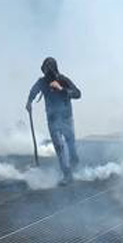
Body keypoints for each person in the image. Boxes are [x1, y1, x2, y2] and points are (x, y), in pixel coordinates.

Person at [26, 57, 82, 185]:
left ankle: (74, 162)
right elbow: (33, 91)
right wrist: (29, 102)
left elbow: (78, 94)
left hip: (66, 118)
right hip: (52, 120)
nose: (48, 72)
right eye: (46, 69)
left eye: (50, 68)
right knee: (59, 147)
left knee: (71, 147)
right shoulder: (42, 82)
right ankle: (67, 174)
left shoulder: (63, 80)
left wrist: (62, 89)